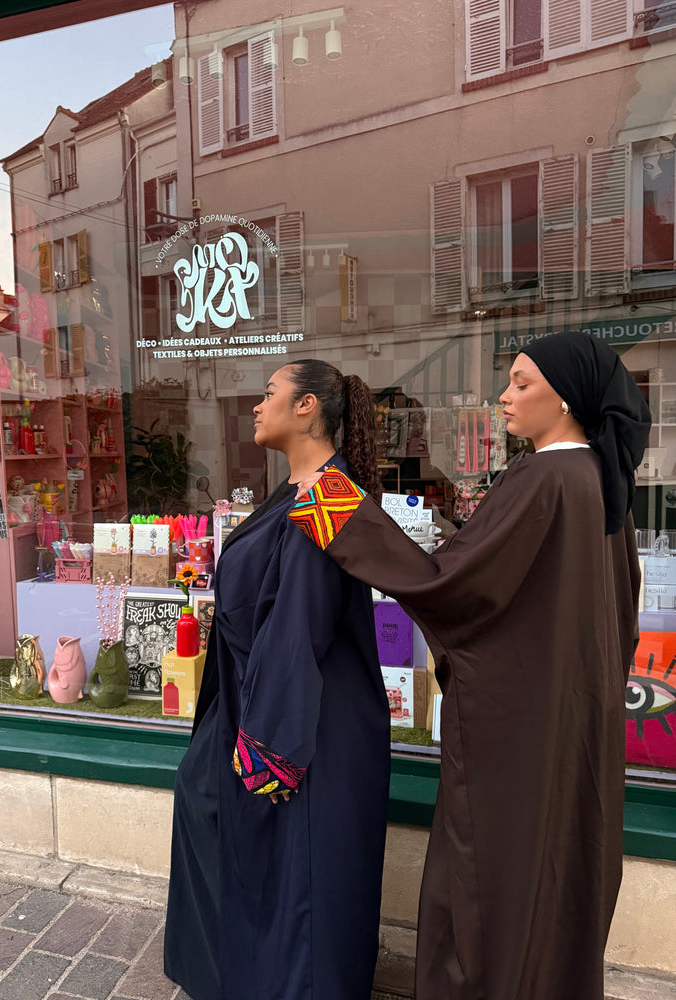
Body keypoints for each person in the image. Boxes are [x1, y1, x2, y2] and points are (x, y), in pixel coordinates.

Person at [288, 332, 651, 1000]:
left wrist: (330, 502)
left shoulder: (543, 478)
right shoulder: (600, 479)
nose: (504, 396)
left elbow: (451, 584)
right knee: (557, 867)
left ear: (566, 399)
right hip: (572, 716)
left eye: (522, 383)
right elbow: (616, 609)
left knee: (491, 877)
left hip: (518, 730)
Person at [164, 360, 391, 1000]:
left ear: (307, 407)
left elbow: (301, 624)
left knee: (301, 889)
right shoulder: (295, 488)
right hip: (258, 697)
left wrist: (269, 747)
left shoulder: (329, 494)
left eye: (269, 394)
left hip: (302, 717)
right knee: (205, 807)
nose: (257, 407)